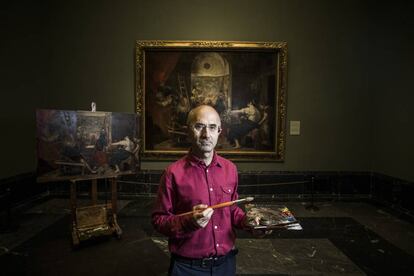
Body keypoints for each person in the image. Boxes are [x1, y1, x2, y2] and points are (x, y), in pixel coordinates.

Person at [152, 105, 269, 276]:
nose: (206, 134)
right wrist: (189, 222)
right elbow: (158, 220)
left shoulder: (230, 169)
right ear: (188, 130)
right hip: (187, 268)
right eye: (199, 126)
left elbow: (231, 210)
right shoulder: (173, 173)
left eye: (212, 127)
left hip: (226, 265)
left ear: (219, 131)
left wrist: (249, 223)